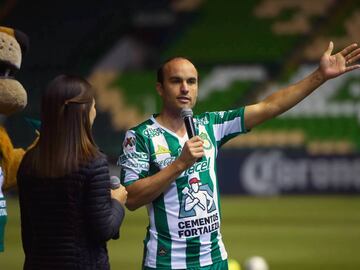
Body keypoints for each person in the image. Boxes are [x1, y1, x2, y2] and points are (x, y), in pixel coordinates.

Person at [118, 41, 360, 270]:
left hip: (215, 260)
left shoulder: (210, 125)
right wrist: (180, 164)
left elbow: (269, 106)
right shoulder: (140, 136)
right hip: (166, 263)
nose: (185, 88)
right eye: (176, 81)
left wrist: (320, 76)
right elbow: (131, 199)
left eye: (192, 82)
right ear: (160, 88)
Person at [17, 75, 127, 270]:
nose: (95, 111)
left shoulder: (29, 161)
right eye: (93, 106)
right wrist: (117, 201)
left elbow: (28, 235)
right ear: (83, 111)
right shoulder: (94, 163)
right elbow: (104, 230)